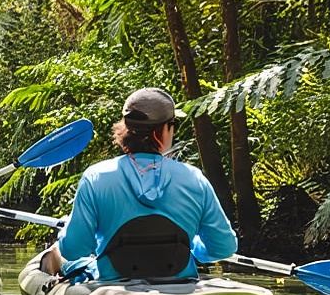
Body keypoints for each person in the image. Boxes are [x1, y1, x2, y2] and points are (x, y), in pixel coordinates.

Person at [41, 87, 237, 282]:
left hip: (112, 287)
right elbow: (223, 247)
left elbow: (74, 249)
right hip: (180, 284)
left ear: (125, 128)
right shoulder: (194, 178)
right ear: (165, 129)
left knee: (63, 255)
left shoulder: (96, 177)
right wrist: (191, 248)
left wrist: (67, 231)